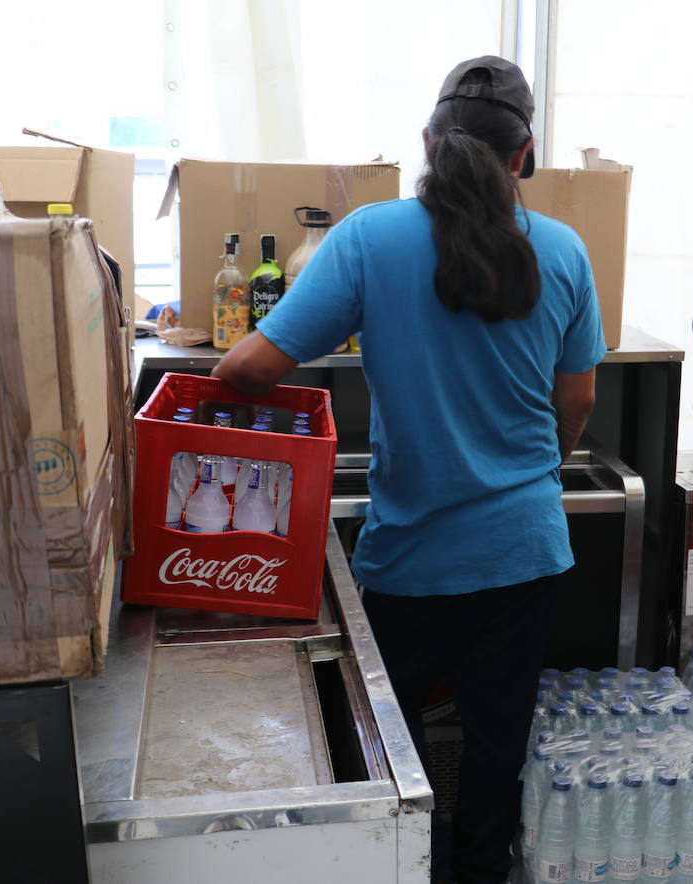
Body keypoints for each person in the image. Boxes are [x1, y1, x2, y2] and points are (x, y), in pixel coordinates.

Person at [212, 56, 605, 884]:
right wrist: (539, 468)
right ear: (523, 155)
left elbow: (246, 369)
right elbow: (577, 402)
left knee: (388, 749)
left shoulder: (370, 238)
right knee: (498, 750)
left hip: (412, 560)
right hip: (526, 553)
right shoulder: (566, 251)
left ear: (429, 142)